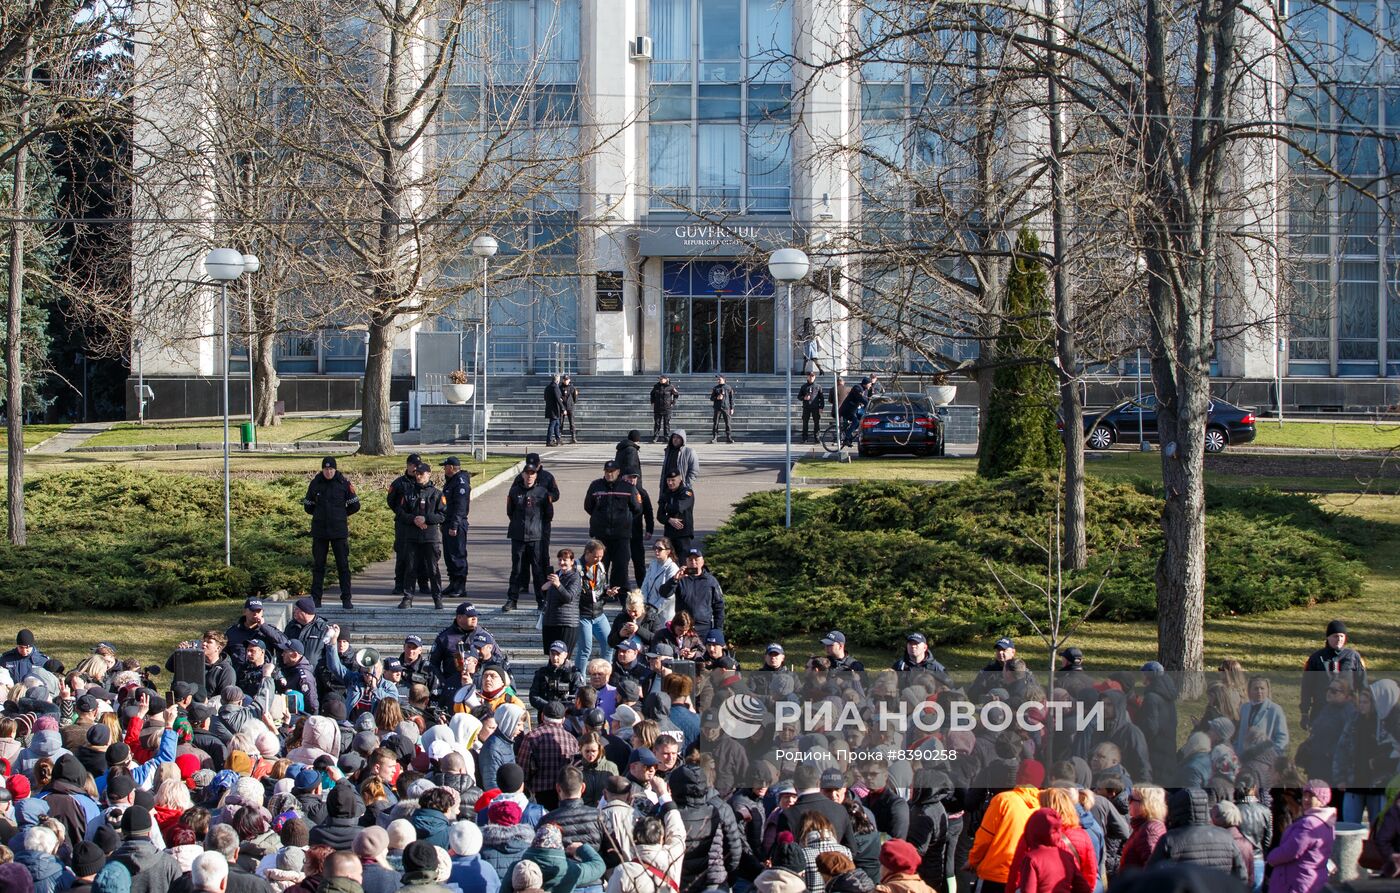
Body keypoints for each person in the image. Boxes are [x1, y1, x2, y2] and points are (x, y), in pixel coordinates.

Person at [1147, 787, 1249, 883]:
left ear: (1176, 810)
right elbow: (1241, 876)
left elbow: (1151, 876)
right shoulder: (1226, 837)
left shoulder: (1169, 839)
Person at [303, 456, 360, 610]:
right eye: (326, 469)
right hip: (320, 531)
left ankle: (346, 599)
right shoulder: (315, 483)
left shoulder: (344, 483)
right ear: (322, 469)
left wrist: (340, 515)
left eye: (331, 469)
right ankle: (316, 599)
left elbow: (355, 505)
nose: (328, 472)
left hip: (339, 532)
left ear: (335, 469)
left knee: (343, 566)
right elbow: (308, 506)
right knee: (318, 566)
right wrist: (321, 515)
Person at [1263, 780, 1335, 893]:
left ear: (1321, 800)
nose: (1305, 799)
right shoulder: (1327, 821)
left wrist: (1270, 858)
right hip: (1310, 879)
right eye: (1305, 795)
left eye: (1311, 796)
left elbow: (1290, 851)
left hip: (1295, 882)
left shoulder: (1309, 823)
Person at [583, 461, 642, 593]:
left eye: (612, 471)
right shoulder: (595, 486)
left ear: (618, 472)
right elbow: (588, 506)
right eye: (607, 471)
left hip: (621, 535)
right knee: (600, 565)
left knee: (621, 566)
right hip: (601, 535)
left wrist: (624, 520)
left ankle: (619, 593)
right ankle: (599, 592)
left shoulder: (627, 487)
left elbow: (637, 508)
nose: (609, 474)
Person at [395, 462, 446, 610]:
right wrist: (414, 519)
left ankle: (437, 598)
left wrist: (426, 519)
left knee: (433, 569)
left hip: (430, 537)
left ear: (428, 474)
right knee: (410, 568)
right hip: (412, 536)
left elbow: (442, 514)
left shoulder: (436, 494)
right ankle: (408, 597)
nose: (418, 476)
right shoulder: (408, 492)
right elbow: (401, 512)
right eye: (417, 474)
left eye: (421, 474)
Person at [1300, 619, 1367, 730]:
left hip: (1348, 711)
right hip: (1322, 711)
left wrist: (1365, 710)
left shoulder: (1354, 657)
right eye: (1335, 636)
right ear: (1328, 637)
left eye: (1342, 636)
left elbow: (1363, 685)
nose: (1339, 639)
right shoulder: (1316, 658)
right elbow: (1307, 687)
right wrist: (1304, 712)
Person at [505, 460, 552, 613]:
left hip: (536, 536)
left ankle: (541, 600)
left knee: (538, 570)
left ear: (536, 475)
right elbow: (510, 512)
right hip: (518, 536)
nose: (529, 476)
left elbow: (548, 515)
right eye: (527, 473)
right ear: (523, 474)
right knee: (516, 569)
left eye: (532, 474)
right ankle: (512, 600)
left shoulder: (542, 493)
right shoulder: (514, 491)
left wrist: (537, 528)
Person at [577, 541, 620, 668]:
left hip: (599, 613)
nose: (599, 559)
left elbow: (602, 586)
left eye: (601, 556)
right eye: (596, 556)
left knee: (609, 644)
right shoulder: (577, 568)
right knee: (585, 649)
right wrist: (594, 594)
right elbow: (576, 593)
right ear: (587, 553)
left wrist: (608, 592)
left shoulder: (600, 566)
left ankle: (604, 675)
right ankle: (580, 680)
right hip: (582, 614)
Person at [387, 453, 423, 599]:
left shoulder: (422, 482)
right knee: (402, 554)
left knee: (420, 555)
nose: (415, 469)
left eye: (417, 466)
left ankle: (423, 584)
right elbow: (391, 501)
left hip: (420, 524)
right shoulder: (398, 483)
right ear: (407, 465)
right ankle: (399, 584)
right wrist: (404, 515)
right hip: (403, 524)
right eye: (413, 465)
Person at [671, 548, 725, 640]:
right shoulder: (681, 578)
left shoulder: (710, 581)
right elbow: (664, 593)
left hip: (704, 628)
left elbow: (719, 606)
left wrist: (717, 630)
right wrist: (674, 580)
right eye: (690, 560)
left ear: (702, 562)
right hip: (684, 627)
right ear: (686, 562)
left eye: (696, 559)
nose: (693, 562)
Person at [440, 457, 472, 598]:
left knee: (457, 555)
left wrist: (454, 525)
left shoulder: (460, 483)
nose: (444, 469)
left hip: (456, 524)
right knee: (449, 555)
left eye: (445, 466)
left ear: (452, 467)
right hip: (448, 522)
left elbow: (460, 507)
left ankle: (460, 586)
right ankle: (453, 583)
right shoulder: (451, 481)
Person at [541, 550, 581, 655]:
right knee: (551, 657)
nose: (562, 562)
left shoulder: (575, 577)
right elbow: (549, 596)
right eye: (560, 559)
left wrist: (558, 585)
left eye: (565, 560)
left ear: (572, 561)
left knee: (563, 658)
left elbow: (568, 598)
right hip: (550, 621)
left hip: (566, 623)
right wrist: (545, 588)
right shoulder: (556, 575)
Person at [622, 473, 655, 589]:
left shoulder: (642, 492)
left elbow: (648, 511)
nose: (632, 480)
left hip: (636, 534)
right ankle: (621, 590)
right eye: (629, 477)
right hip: (621, 535)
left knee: (639, 564)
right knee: (622, 565)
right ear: (623, 477)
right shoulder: (619, 490)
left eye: (634, 478)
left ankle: (643, 588)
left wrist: (649, 529)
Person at [654, 473, 695, 559]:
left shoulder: (687, 493)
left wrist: (666, 506)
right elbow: (660, 516)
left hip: (683, 534)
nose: (670, 483)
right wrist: (669, 519)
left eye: (673, 480)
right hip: (669, 534)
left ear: (680, 480)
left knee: (684, 563)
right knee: (669, 563)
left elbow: (679, 507)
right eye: (668, 480)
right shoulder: (666, 494)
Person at [640, 538, 681, 623]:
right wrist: (643, 602)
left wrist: (655, 608)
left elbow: (670, 595)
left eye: (660, 549)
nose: (656, 551)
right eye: (655, 548)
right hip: (648, 609)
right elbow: (645, 584)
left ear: (668, 551)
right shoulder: (653, 564)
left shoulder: (672, 568)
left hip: (663, 613)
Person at [838, 378, 870, 447]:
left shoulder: (863, 389)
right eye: (869, 384)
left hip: (852, 409)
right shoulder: (857, 388)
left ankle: (849, 433)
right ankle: (847, 437)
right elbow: (860, 398)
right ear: (865, 384)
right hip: (847, 409)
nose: (870, 385)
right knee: (856, 421)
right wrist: (868, 403)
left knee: (859, 420)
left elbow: (864, 399)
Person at [648, 376, 680, 443]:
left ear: (666, 379)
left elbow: (676, 394)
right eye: (660, 379)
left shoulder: (671, 387)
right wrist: (652, 402)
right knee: (657, 423)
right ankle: (656, 437)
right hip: (657, 408)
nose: (660, 380)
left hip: (667, 408)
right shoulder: (656, 386)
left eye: (662, 379)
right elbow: (652, 394)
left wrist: (673, 402)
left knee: (666, 423)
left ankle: (666, 437)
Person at [799, 372, 826, 444]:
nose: (811, 378)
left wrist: (821, 407)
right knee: (805, 423)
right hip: (806, 407)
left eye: (812, 376)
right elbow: (799, 396)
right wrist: (804, 397)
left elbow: (822, 398)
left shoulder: (818, 386)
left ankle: (817, 438)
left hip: (815, 407)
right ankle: (805, 438)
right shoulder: (804, 386)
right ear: (807, 377)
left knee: (816, 423)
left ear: (814, 377)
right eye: (810, 376)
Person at [709, 375, 735, 444]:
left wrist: (732, 408)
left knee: (728, 423)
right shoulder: (715, 388)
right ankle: (715, 438)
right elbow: (711, 398)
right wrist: (717, 398)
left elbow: (731, 399)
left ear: (723, 379)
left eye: (719, 379)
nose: (718, 381)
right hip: (717, 408)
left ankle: (728, 437)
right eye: (718, 380)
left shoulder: (728, 388)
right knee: (715, 423)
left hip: (726, 408)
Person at [544, 374, 564, 447]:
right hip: (555, 409)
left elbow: (545, 398)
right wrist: (562, 407)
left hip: (549, 408)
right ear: (557, 380)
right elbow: (558, 399)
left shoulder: (547, 387)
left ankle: (558, 439)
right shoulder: (555, 387)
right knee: (552, 425)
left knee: (557, 424)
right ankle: (549, 441)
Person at [559, 374, 579, 443]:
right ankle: (559, 437)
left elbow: (575, 398)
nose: (565, 381)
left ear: (569, 380)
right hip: (562, 407)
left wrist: (571, 403)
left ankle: (573, 437)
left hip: (570, 407)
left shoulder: (572, 388)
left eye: (567, 380)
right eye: (564, 380)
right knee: (560, 423)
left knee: (572, 423)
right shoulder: (560, 387)